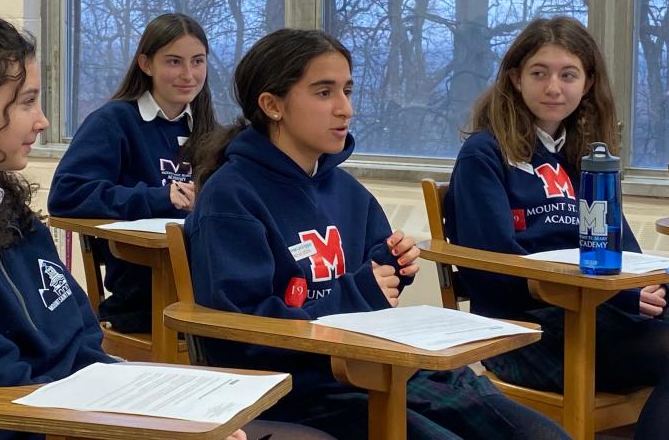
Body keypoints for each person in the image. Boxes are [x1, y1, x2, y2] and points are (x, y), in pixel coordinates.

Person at [0, 10, 261, 440]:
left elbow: (80, 341)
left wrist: (170, 409)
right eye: (25, 102)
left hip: (72, 415)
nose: (41, 121)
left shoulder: (8, 212)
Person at [187, 28, 568, 439]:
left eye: (347, 90)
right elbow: (241, 330)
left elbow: (373, 277)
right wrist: (362, 292)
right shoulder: (231, 198)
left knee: (541, 435)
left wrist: (394, 266)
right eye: (323, 92)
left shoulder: (348, 191)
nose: (345, 109)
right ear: (272, 105)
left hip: (382, 369)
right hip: (310, 388)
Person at [445, 15, 669, 436]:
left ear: (587, 84)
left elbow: (628, 253)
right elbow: (493, 273)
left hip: (598, 321)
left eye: (568, 75)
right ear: (515, 78)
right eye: (539, 73)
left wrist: (648, 289)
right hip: (525, 333)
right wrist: (613, 295)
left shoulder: (585, 158)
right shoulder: (484, 154)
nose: (553, 88)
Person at [47, 13, 217, 333]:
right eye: (173, 62)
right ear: (146, 64)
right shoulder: (115, 121)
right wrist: (158, 197)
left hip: (204, 284)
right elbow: (66, 193)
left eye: (198, 61)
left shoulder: (210, 128)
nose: (188, 74)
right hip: (144, 292)